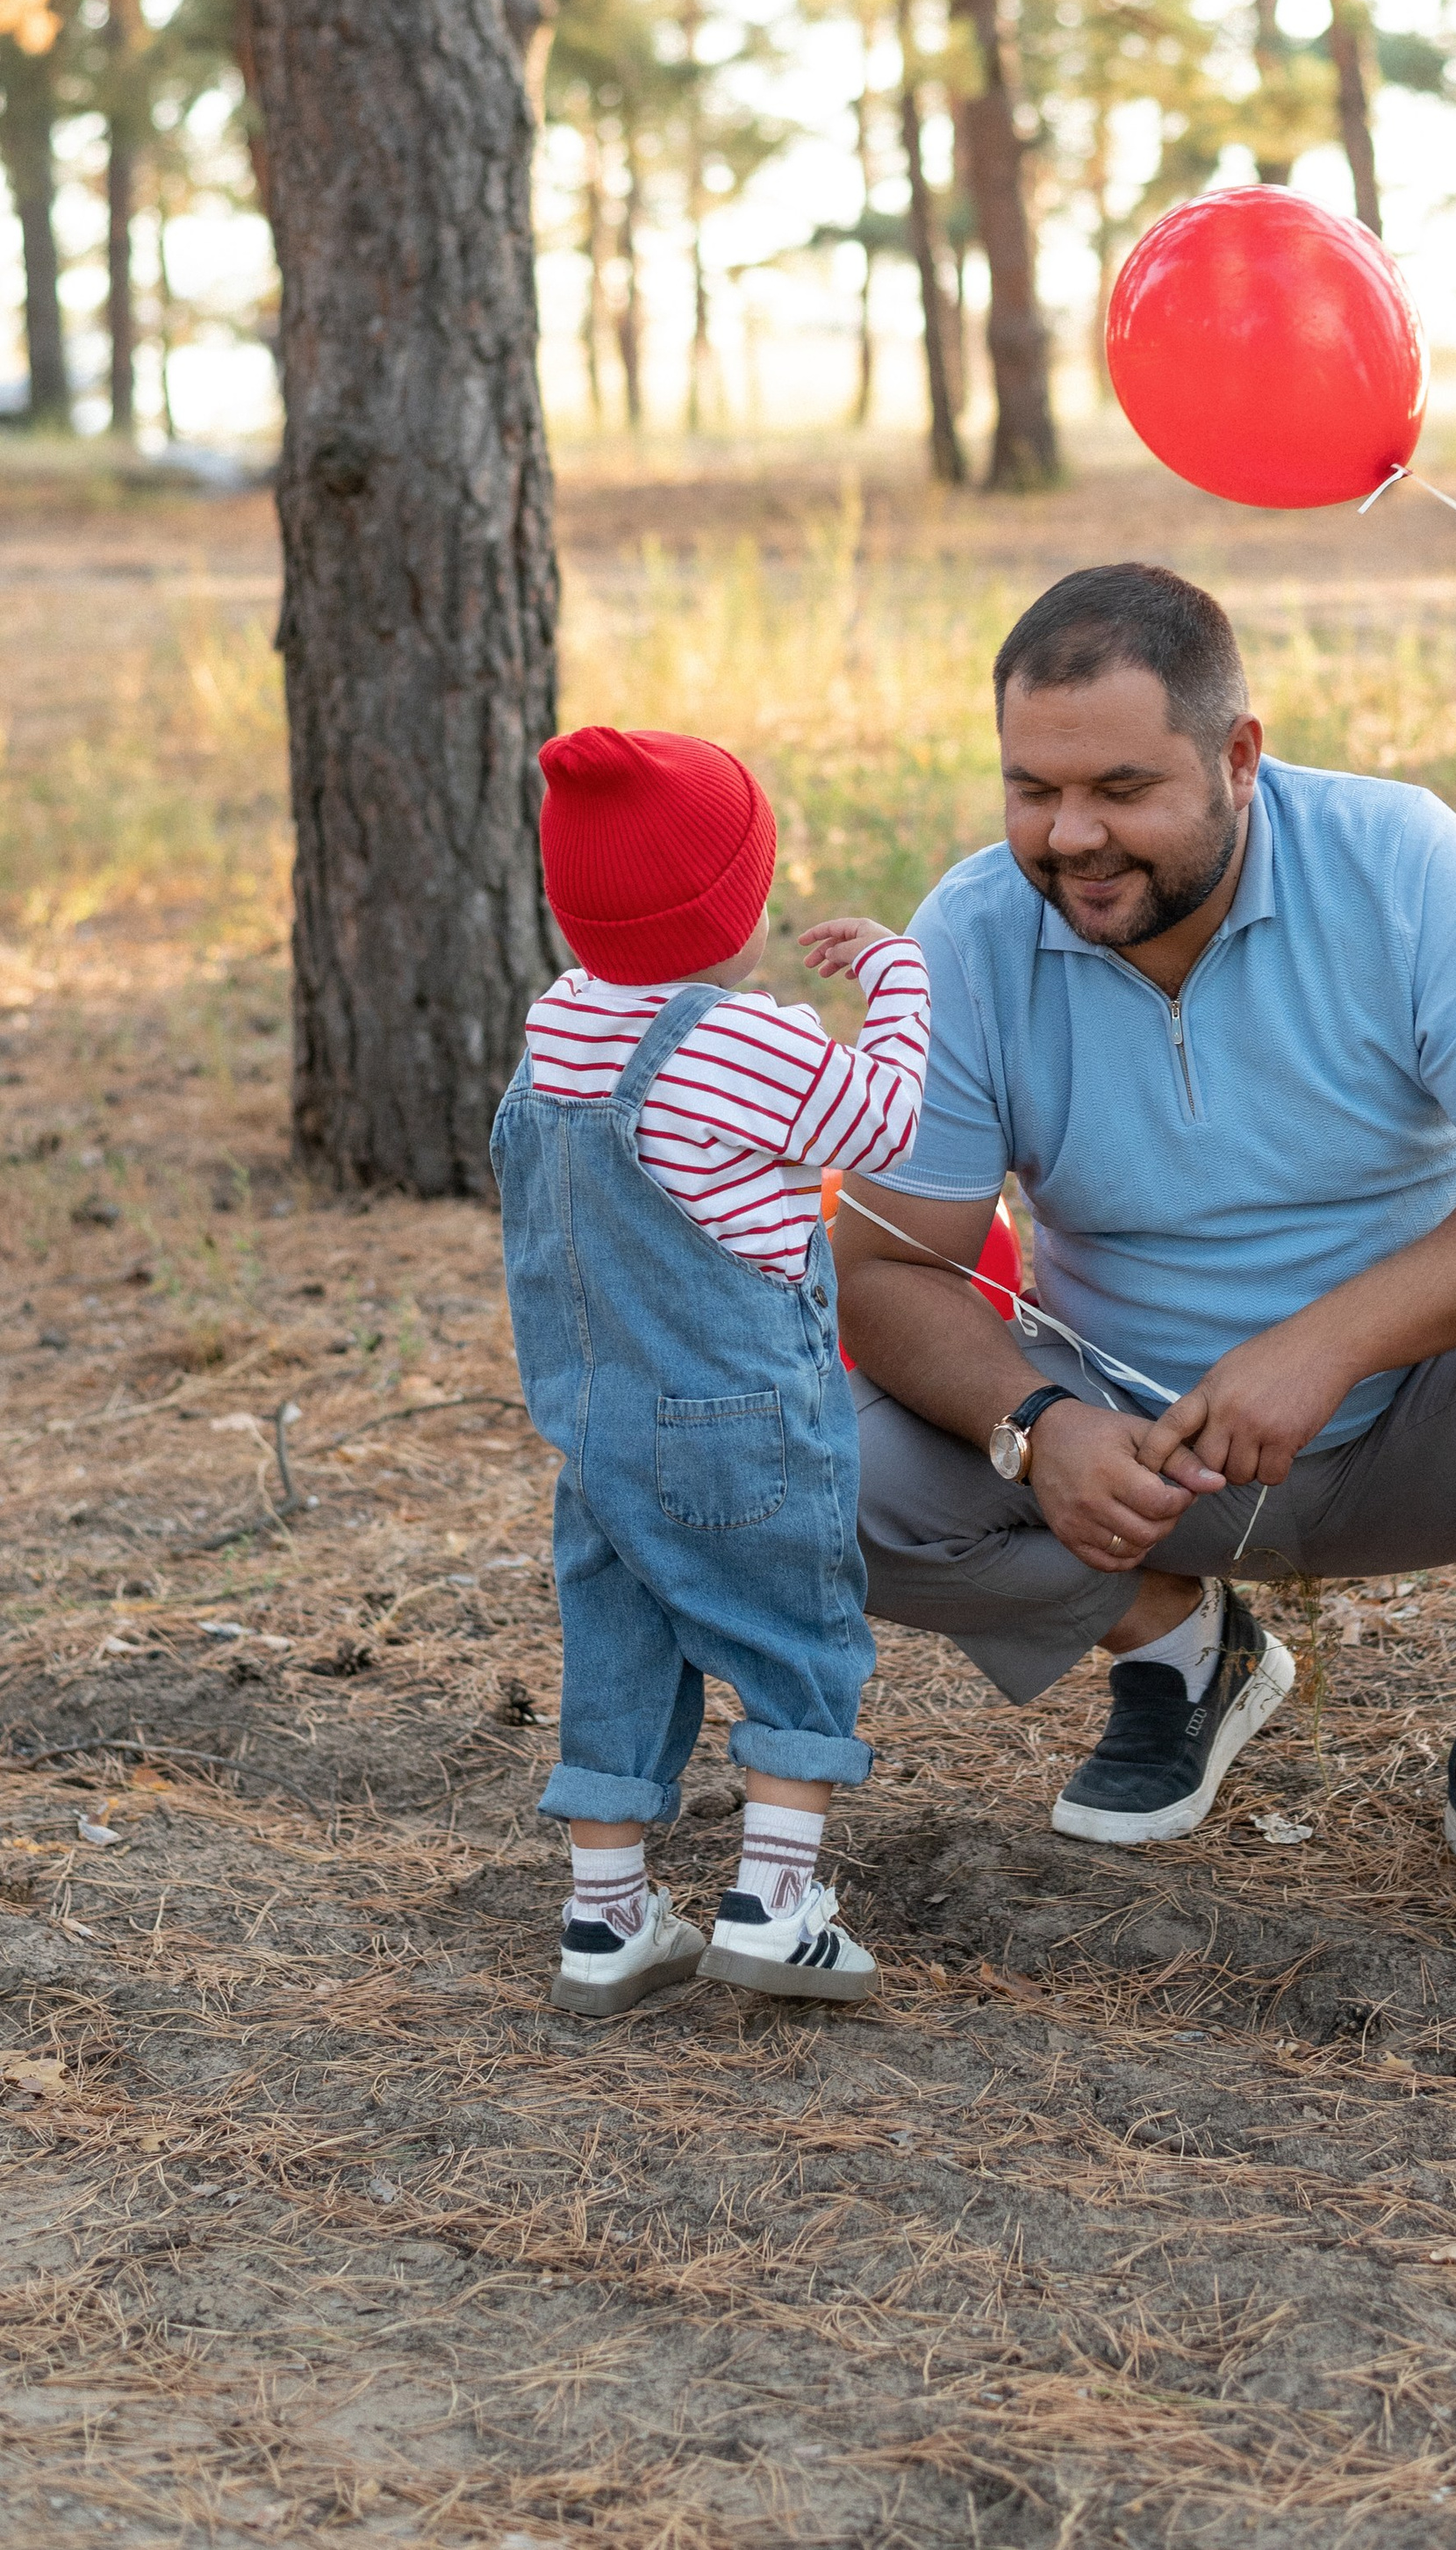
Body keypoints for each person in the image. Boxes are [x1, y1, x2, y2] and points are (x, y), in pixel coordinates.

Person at [834, 565, 1456, 1967]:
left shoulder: (1396, 860)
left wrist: (1325, 1344)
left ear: (1239, 758)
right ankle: (1177, 1646)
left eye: (1122, 789)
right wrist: (1040, 1425)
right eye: (1033, 790)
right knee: (799, 1467)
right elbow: (887, 1269)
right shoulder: (966, 933)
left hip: (1420, 1428)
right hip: (1138, 1465)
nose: (1071, 837)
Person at [491, 722, 929, 2020]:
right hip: (738, 1420)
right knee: (797, 1635)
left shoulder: (555, 1025)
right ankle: (775, 1903)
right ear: (735, 905)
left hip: (596, 1422)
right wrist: (898, 977)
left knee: (617, 1651)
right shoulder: (746, 1046)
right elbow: (887, 1120)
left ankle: (607, 1918)